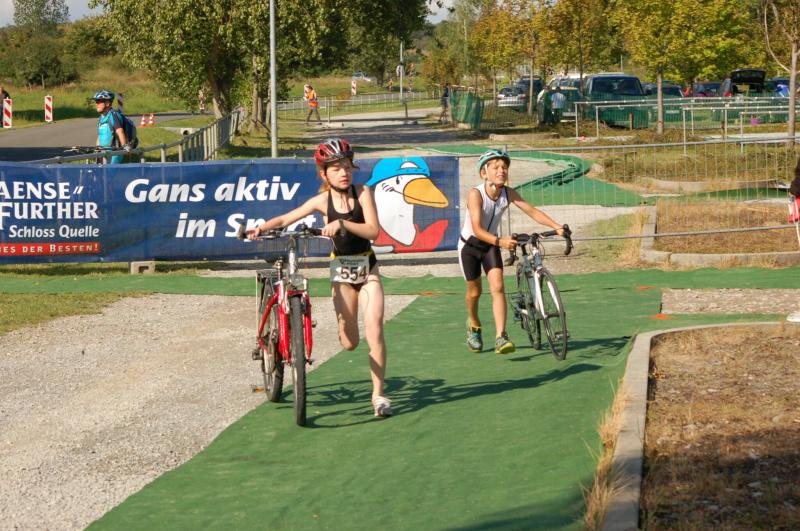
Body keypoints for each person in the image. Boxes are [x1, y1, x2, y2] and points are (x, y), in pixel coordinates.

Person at [245, 138, 393, 418]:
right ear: (324, 174)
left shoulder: (363, 192)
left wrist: (342, 223)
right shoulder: (321, 201)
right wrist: (260, 229)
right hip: (341, 272)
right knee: (350, 342)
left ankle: (379, 395)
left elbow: (373, 231)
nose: (343, 172)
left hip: (368, 268)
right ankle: (344, 329)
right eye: (336, 168)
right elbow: (286, 219)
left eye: (347, 166)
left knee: (375, 330)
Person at [460, 148, 567, 354]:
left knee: (498, 287)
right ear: (484, 173)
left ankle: (501, 336)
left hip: (491, 246)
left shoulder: (508, 193)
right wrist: (500, 241)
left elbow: (532, 211)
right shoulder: (476, 194)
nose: (502, 171)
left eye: (504, 167)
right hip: (470, 246)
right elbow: (477, 229)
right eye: (496, 167)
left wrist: (557, 227)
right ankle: (473, 324)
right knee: (474, 292)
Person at [93, 89, 130, 164]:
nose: (96, 104)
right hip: (103, 152)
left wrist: (125, 146)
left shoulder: (113, 115)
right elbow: (100, 135)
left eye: (99, 102)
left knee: (111, 170)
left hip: (114, 152)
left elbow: (120, 131)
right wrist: (96, 149)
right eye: (96, 102)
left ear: (107, 103)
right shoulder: (101, 117)